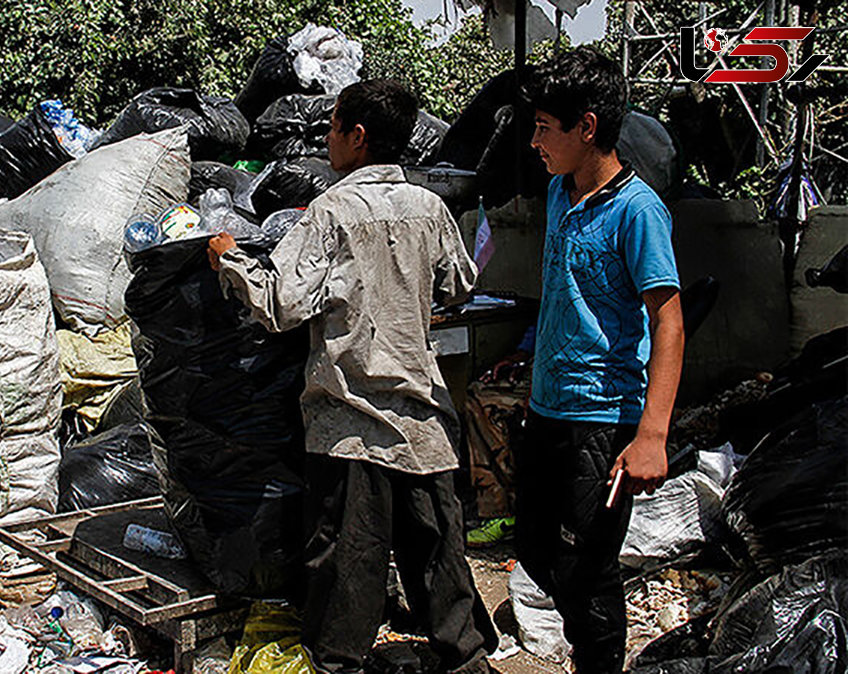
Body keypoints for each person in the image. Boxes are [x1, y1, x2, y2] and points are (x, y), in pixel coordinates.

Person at [208, 79, 497, 674]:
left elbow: (279, 303)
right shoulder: (430, 208)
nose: (327, 138)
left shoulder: (332, 212)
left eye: (333, 125)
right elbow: (458, 286)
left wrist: (228, 257)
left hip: (351, 428)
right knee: (440, 569)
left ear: (357, 137)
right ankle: (469, 665)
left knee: (346, 578)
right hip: (424, 425)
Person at [517, 48, 684, 674]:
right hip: (547, 409)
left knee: (586, 568)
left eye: (544, 127)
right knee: (534, 546)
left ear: (586, 128)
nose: (534, 141)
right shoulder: (562, 191)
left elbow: (668, 320)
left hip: (602, 417)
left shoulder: (637, 211)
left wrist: (652, 435)